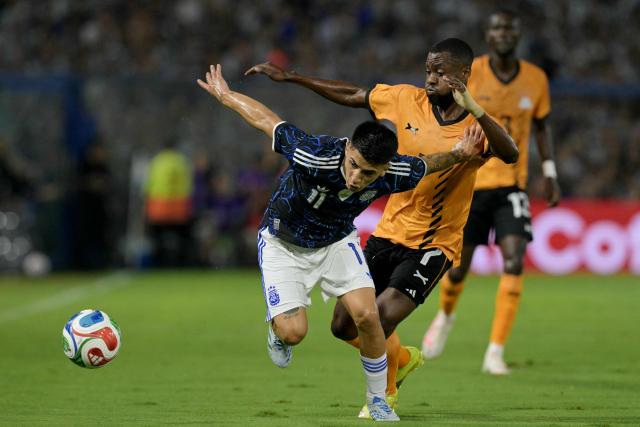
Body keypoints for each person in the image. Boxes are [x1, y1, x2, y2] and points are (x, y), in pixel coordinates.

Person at [246, 37, 518, 417]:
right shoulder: (407, 99)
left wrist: (475, 108)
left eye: (440, 71)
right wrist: (292, 77)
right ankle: (403, 358)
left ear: (463, 75)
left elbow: (511, 153)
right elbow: (355, 94)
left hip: (434, 244)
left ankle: (384, 394)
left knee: (379, 316)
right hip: (390, 230)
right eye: (428, 69)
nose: (431, 78)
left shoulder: (475, 128)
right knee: (343, 325)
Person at [197, 63, 486, 421]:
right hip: (283, 243)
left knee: (367, 315)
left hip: (336, 241)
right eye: (354, 164)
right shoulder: (313, 155)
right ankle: (277, 330)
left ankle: (379, 399)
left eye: (369, 173)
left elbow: (428, 163)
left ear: (385, 169)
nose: (356, 177)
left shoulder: (395, 173)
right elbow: (268, 121)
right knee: (295, 332)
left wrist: (460, 153)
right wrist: (226, 96)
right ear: (348, 148)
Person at [421, 11, 561, 375]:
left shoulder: (536, 78)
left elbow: (542, 128)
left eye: (509, 27)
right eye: (497, 27)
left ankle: (495, 351)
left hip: (513, 184)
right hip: (472, 183)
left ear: (518, 33)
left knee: (514, 261)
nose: (503, 33)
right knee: (457, 271)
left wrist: (550, 172)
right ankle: (445, 316)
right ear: (487, 34)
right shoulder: (470, 72)